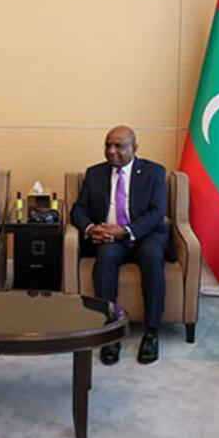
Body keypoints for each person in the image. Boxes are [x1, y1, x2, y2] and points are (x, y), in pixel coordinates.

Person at [70, 125, 170, 365]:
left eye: (119, 146)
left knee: (152, 258)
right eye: (108, 145)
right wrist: (92, 229)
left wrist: (126, 231)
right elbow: (78, 209)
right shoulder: (94, 173)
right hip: (110, 238)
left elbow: (158, 212)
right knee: (105, 258)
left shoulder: (154, 172)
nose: (112, 151)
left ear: (134, 148)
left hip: (145, 235)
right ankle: (111, 331)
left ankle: (151, 332)